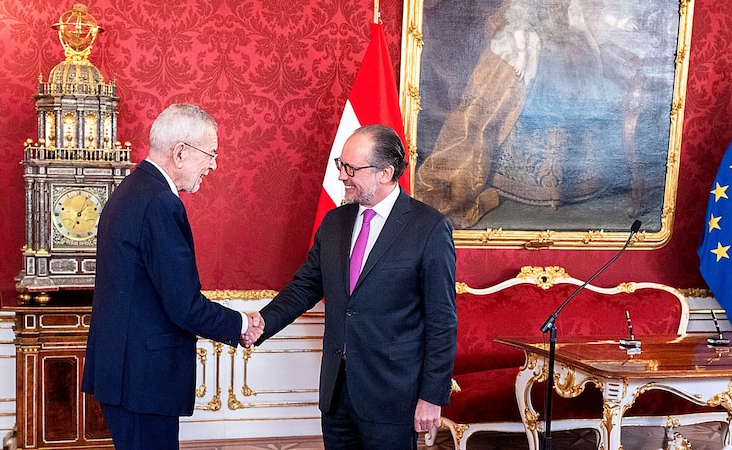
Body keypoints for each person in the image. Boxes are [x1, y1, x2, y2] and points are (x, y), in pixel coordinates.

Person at [243, 124, 457, 450]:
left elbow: (442, 321)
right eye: (340, 165)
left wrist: (431, 395)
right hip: (336, 392)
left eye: (351, 168)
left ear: (385, 173)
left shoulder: (428, 228)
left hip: (392, 396)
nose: (342, 176)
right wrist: (261, 323)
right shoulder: (335, 222)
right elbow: (305, 287)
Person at [82, 103, 263, 450]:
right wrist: (242, 323)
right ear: (180, 152)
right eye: (210, 154)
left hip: (126, 373)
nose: (213, 165)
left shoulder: (132, 190)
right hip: (142, 380)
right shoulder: (160, 202)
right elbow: (184, 306)